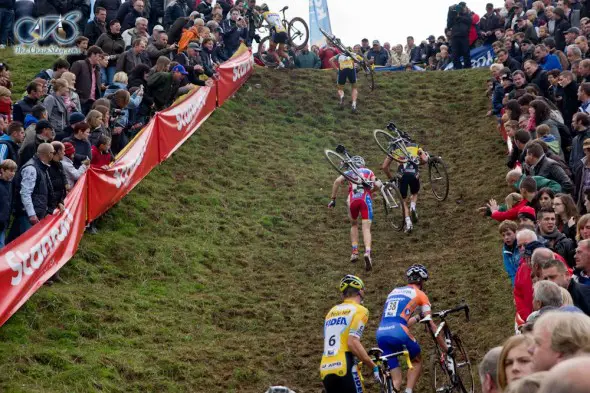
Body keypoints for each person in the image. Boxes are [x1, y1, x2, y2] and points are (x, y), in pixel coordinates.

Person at [376, 264, 443, 393]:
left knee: (396, 380)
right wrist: (445, 347)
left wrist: (417, 317)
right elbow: (430, 324)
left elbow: (399, 320)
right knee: (416, 360)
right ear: (422, 281)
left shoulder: (393, 292)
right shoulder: (420, 294)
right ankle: (408, 391)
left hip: (381, 333)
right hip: (399, 332)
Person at [320, 275, 379, 393]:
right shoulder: (360, 310)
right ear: (361, 292)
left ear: (343, 295)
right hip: (344, 364)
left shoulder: (331, 312)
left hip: (325, 367)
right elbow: (352, 342)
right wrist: (373, 366)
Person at [328, 154, 382, 270]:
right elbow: (377, 184)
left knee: (353, 224)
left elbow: (337, 181)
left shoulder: (349, 172)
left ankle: (354, 251)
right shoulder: (368, 171)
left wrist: (333, 199)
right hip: (365, 199)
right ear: (363, 163)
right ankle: (367, 252)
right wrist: (372, 190)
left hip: (352, 199)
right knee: (366, 228)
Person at [7, 143, 55, 242]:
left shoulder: (42, 167)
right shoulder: (31, 168)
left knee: (17, 242)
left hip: (32, 214)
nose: (54, 154)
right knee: (23, 243)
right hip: (27, 215)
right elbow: (25, 193)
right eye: (53, 152)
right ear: (49, 154)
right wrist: (31, 214)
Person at [329, 48, 363, 113]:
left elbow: (330, 60)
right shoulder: (353, 54)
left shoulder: (339, 55)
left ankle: (342, 96)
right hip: (351, 69)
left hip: (342, 69)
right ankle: (354, 104)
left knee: (340, 88)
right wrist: (359, 67)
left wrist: (336, 69)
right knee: (354, 87)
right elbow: (362, 61)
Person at [447, 2, 472, 69]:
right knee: (455, 54)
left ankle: (468, 67)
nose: (462, 8)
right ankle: (457, 67)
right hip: (454, 36)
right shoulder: (453, 14)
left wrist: (460, 17)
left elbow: (469, 21)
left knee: (466, 52)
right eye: (461, 6)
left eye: (463, 6)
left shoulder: (467, 14)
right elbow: (449, 25)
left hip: (464, 36)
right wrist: (450, 11)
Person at [0, 159, 17, 249]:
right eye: (10, 171)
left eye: (14, 171)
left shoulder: (9, 184)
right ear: (2, 170)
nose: (13, 173)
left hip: (3, 224)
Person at [501, 220, 521, 285]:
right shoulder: (505, 250)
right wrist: (515, 285)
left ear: (516, 233)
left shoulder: (522, 245)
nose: (506, 237)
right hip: (517, 280)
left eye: (508, 234)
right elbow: (510, 270)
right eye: (503, 235)